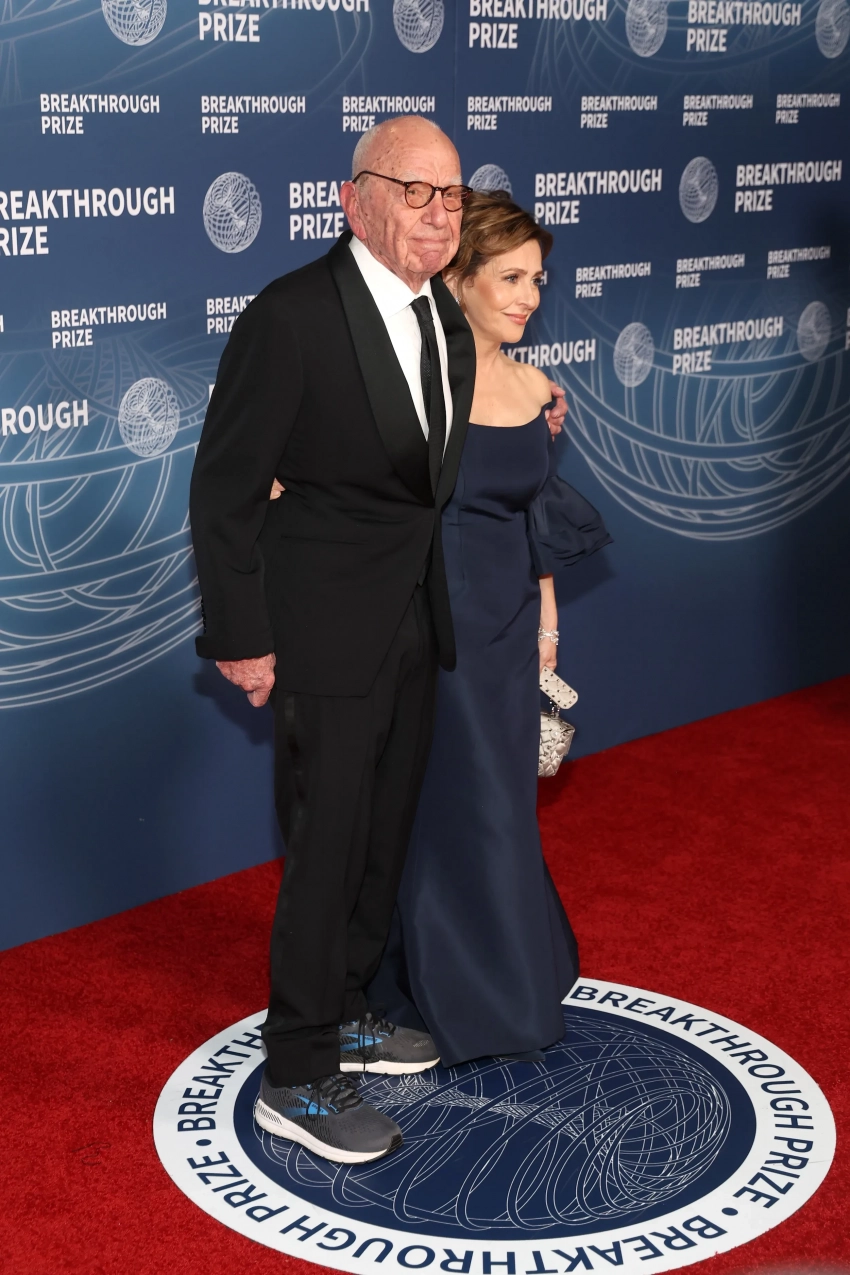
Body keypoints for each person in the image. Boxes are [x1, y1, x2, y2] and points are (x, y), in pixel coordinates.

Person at [190, 118, 566, 1165]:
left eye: (451, 196)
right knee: (326, 845)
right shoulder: (291, 315)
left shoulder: (441, 316)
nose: (437, 214)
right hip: (321, 626)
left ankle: (352, 1004)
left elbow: (430, 464)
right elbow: (224, 487)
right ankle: (299, 1069)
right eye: (413, 191)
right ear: (353, 200)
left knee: (382, 835)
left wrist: (535, 417)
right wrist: (242, 634)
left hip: (417, 619)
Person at [369, 191, 612, 1066]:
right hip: (431, 627)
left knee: (503, 805)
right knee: (453, 808)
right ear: (459, 279)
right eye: (510, 278)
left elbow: (534, 519)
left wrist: (548, 629)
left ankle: (503, 975)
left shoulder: (536, 386)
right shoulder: (413, 384)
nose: (529, 298)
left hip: (508, 629)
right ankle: (452, 993)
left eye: (537, 280)